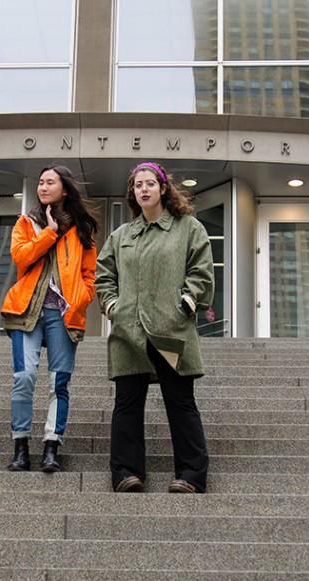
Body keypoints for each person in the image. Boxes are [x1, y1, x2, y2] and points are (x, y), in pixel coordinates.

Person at [95, 161, 214, 494]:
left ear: (163, 188)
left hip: (170, 330)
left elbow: (201, 271)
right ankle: (126, 473)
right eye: (137, 185)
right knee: (127, 403)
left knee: (180, 402)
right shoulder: (122, 236)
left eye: (149, 183)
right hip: (128, 334)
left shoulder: (188, 228)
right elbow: (104, 275)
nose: (143, 189)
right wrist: (113, 306)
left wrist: (186, 305)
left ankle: (191, 475)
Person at [0, 164, 99, 472]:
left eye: (50, 182)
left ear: (65, 189)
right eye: (40, 182)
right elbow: (20, 257)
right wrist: (48, 233)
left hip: (62, 314)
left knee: (59, 382)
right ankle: (20, 446)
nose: (43, 187)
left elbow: (89, 276)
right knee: (24, 377)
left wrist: (79, 300)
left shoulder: (82, 229)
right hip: (26, 311)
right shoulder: (26, 222)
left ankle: (51, 446)